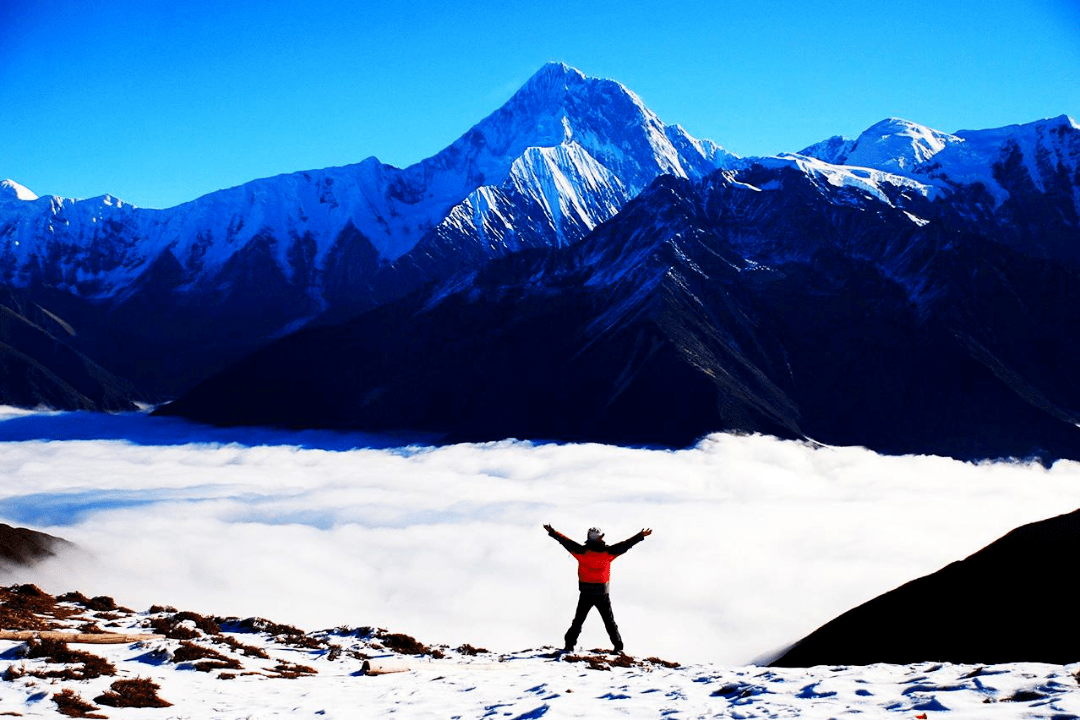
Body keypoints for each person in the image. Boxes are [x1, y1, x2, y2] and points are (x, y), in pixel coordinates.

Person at [543, 523, 652, 653]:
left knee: (578, 621)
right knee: (609, 622)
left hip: (586, 593)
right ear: (600, 538)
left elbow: (566, 542)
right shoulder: (609, 552)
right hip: (602, 593)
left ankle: (569, 645)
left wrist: (553, 532)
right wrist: (640, 535)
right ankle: (618, 647)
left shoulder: (581, 552)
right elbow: (626, 544)